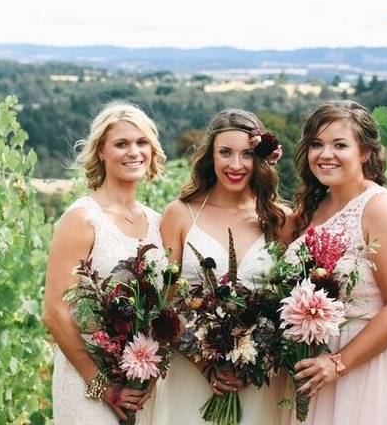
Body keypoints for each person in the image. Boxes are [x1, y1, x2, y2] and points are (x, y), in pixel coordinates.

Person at [285, 100, 387, 424]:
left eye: (340, 144)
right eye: (317, 144)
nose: (325, 154)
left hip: (372, 364)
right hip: (315, 363)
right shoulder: (310, 208)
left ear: (365, 152)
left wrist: (338, 362)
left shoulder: (381, 208)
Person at [153, 109, 291, 425]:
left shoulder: (280, 220)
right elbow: (164, 303)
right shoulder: (181, 214)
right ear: (210, 155)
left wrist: (256, 357)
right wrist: (207, 365)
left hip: (258, 381)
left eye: (246, 154)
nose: (236, 164)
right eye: (225, 152)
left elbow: (287, 301)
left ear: (261, 159)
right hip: (192, 374)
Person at [43, 102, 168, 424]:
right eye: (121, 144)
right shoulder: (83, 218)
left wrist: (147, 373)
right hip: (88, 381)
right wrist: (103, 386)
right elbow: (55, 313)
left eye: (142, 143)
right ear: (101, 151)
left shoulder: (157, 222)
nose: (134, 152)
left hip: (141, 383)